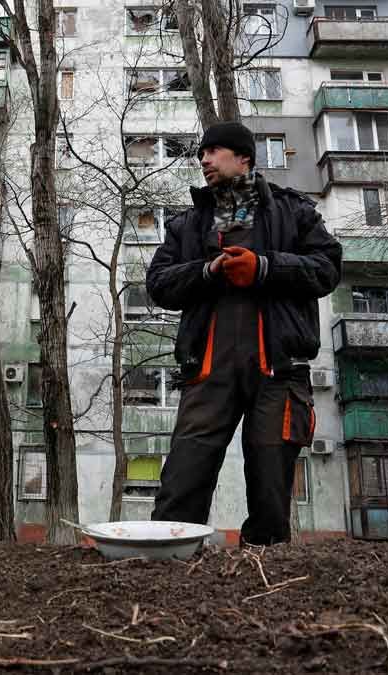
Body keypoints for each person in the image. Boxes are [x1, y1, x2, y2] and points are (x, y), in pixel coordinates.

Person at [146, 121, 342, 546]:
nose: (203, 159)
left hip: (277, 372)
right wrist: (207, 270)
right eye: (202, 153)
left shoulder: (294, 212)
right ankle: (164, 564)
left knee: (271, 495)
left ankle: (266, 584)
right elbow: (158, 284)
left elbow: (327, 268)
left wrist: (264, 267)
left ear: (244, 159)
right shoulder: (190, 223)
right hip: (208, 373)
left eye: (214, 151)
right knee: (181, 485)